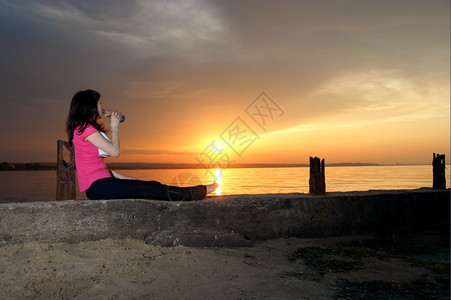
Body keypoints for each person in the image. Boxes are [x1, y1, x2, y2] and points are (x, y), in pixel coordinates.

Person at [66, 89, 218, 201]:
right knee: (153, 188)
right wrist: (115, 128)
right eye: (99, 103)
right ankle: (199, 192)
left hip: (104, 184)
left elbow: (96, 165)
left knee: (149, 186)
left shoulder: (84, 128)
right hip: (100, 188)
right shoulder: (85, 128)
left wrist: (124, 178)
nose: (102, 106)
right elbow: (115, 152)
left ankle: (198, 191)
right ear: (90, 106)